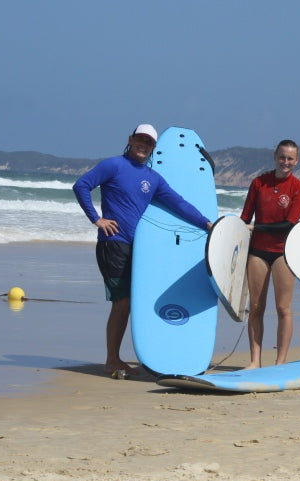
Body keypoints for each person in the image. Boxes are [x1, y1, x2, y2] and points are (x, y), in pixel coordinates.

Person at [73, 124, 212, 375]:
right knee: (122, 302)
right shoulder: (113, 165)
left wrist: (206, 222)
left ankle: (138, 354)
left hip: (136, 250)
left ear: (154, 148)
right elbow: (81, 185)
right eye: (140, 139)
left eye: (148, 142)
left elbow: (178, 203)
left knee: (133, 301)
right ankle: (112, 359)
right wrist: (97, 219)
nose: (143, 145)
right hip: (113, 244)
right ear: (130, 139)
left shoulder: (153, 179)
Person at [240, 139, 300, 368]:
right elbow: (244, 218)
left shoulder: (299, 188)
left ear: (296, 161)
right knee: (256, 307)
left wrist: (256, 228)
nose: (285, 162)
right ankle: (255, 360)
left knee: (283, 308)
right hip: (258, 252)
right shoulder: (259, 182)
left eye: (290, 158)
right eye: (282, 157)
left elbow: (289, 225)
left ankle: (280, 361)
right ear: (275, 156)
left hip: (283, 253)